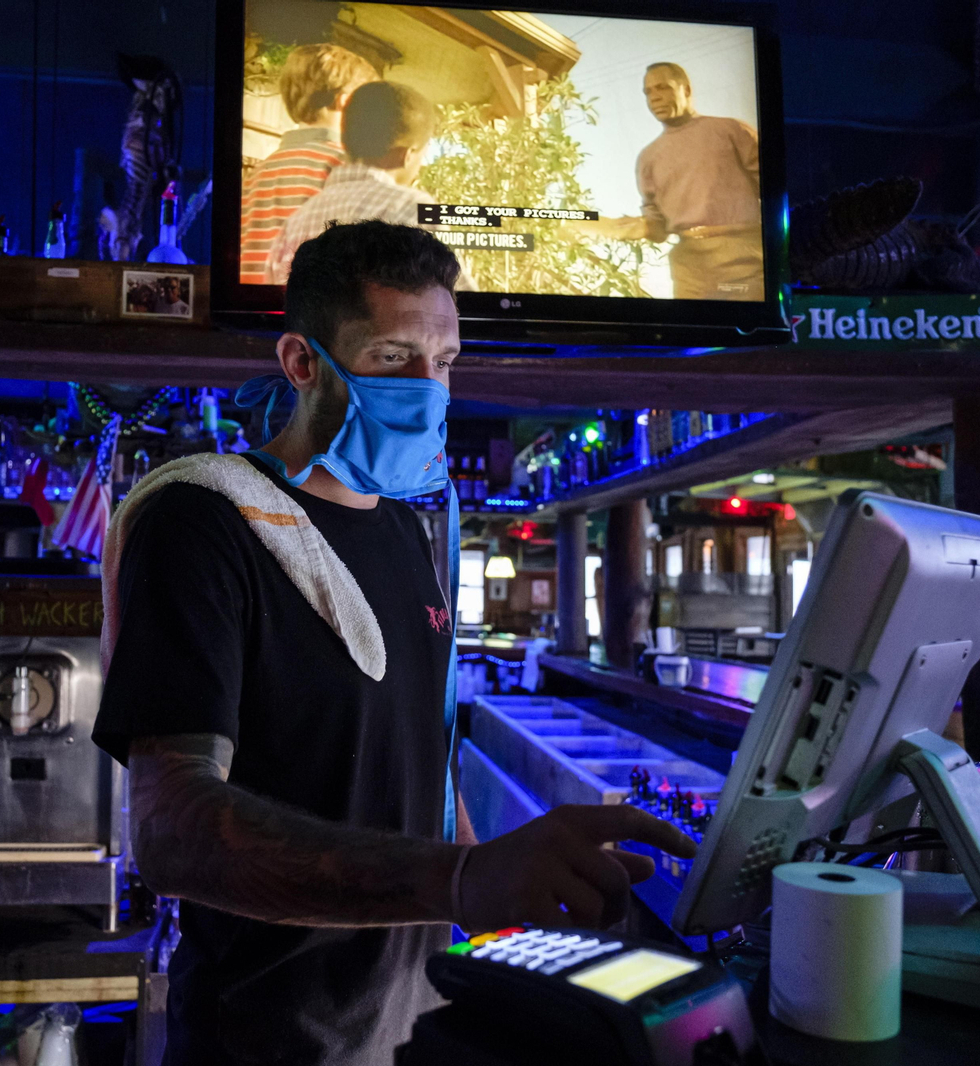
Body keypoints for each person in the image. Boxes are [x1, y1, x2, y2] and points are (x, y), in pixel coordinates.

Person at [93, 220, 693, 1066]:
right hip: (272, 1041)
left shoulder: (414, 536)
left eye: (443, 363)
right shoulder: (204, 521)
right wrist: (456, 880)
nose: (428, 388)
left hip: (411, 1028)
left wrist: (498, 890)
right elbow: (171, 830)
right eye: (391, 358)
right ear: (303, 363)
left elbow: (421, 763)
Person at [569, 62, 762, 300]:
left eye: (663, 88)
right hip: (691, 272)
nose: (655, 98)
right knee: (692, 337)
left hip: (745, 264)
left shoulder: (731, 130)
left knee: (742, 334)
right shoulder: (649, 158)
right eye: (648, 92)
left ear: (687, 90)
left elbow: (774, 193)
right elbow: (657, 226)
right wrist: (600, 227)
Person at [266, 81, 474, 289]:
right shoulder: (412, 207)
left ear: (345, 143)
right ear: (407, 155)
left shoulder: (295, 223)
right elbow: (460, 298)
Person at [238, 44, 377, 285]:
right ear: (346, 102)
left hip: (255, 307)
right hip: (314, 313)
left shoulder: (259, 172)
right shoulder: (347, 167)